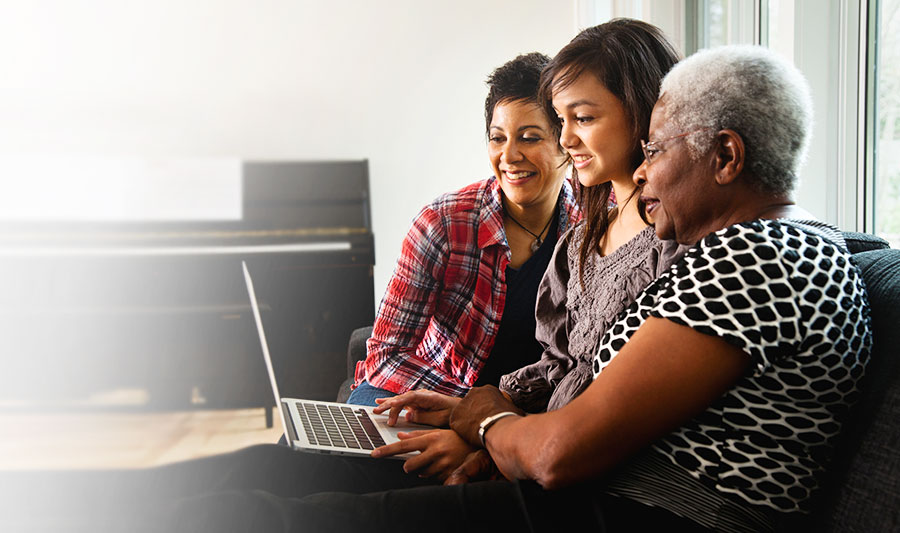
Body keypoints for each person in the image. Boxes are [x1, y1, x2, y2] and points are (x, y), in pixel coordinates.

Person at [348, 52, 579, 406]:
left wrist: (504, 417)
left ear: (567, 145)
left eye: (530, 138)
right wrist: (469, 408)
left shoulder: (595, 226)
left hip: (534, 411)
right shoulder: (442, 223)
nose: (509, 155)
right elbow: (386, 353)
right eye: (497, 138)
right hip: (435, 389)